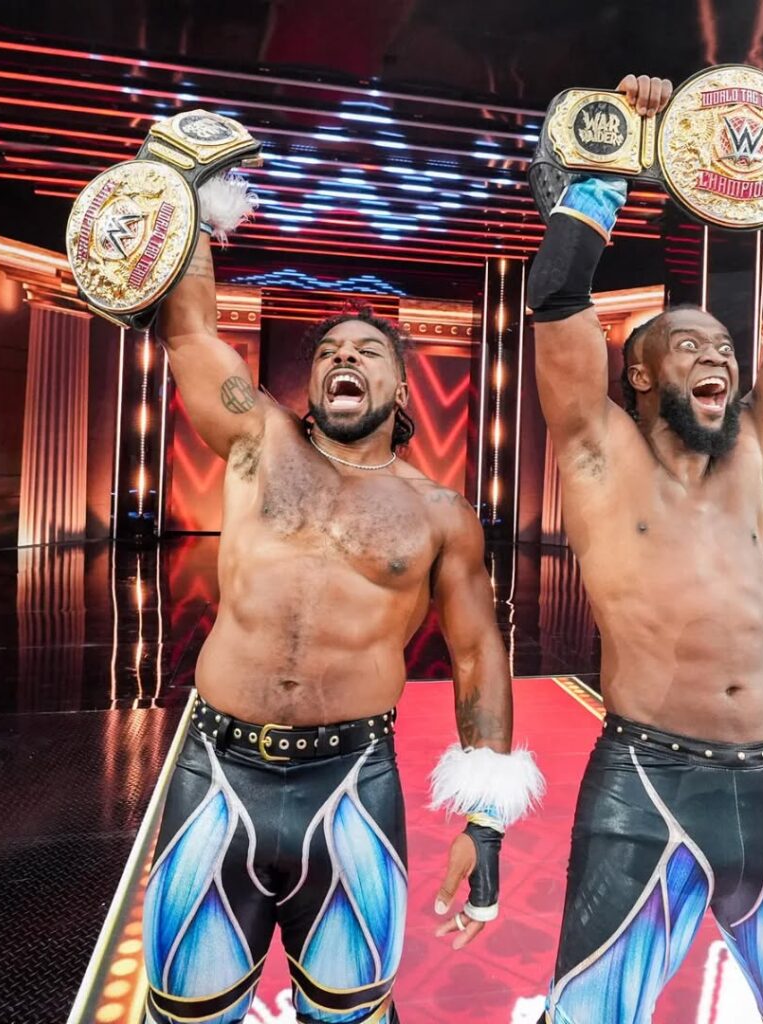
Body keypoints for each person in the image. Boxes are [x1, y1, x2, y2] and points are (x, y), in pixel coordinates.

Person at [142, 179, 543, 1024]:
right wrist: (189, 200)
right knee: (185, 1014)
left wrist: (487, 827)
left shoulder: (439, 514)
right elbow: (190, 333)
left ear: (402, 389)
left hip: (352, 783)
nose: (343, 359)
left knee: (351, 1013)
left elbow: (478, 656)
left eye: (366, 352)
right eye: (328, 352)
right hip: (217, 769)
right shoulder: (259, 441)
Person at [528, 74, 763, 1024]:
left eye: (724, 345)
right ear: (639, 373)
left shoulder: (755, 448)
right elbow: (558, 295)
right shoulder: (598, 450)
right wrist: (610, 158)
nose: (718, 355)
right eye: (689, 346)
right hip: (649, 779)